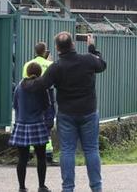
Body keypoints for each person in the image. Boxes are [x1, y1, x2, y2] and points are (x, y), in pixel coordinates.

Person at [22, 32, 106, 192]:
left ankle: (68, 188)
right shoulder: (88, 60)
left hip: (67, 114)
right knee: (91, 149)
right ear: (73, 44)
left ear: (57, 48)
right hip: (88, 111)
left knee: (67, 150)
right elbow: (102, 65)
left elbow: (41, 84)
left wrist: (26, 83)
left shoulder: (57, 67)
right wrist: (92, 48)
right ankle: (97, 187)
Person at [11, 62, 52, 192]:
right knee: (41, 157)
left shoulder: (19, 87)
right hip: (38, 124)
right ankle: (41, 186)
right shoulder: (41, 88)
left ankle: (22, 187)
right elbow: (46, 106)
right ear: (40, 73)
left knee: (22, 158)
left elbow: (15, 105)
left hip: (22, 125)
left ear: (27, 73)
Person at [22, 42, 55, 164]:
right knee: (48, 122)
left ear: (35, 51)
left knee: (32, 121)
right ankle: (48, 153)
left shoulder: (28, 64)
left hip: (31, 94)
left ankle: (30, 152)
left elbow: (24, 81)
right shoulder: (50, 64)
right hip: (47, 93)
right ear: (45, 51)